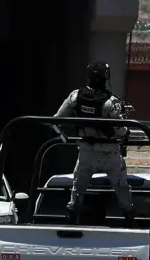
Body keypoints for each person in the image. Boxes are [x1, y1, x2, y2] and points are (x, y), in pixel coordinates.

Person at [54, 61, 134, 224]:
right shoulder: (113, 102)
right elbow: (120, 129)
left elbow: (55, 120)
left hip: (85, 151)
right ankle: (130, 217)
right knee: (122, 187)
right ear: (106, 78)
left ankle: (72, 214)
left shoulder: (75, 96)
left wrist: (64, 138)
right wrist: (127, 133)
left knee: (77, 188)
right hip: (109, 153)